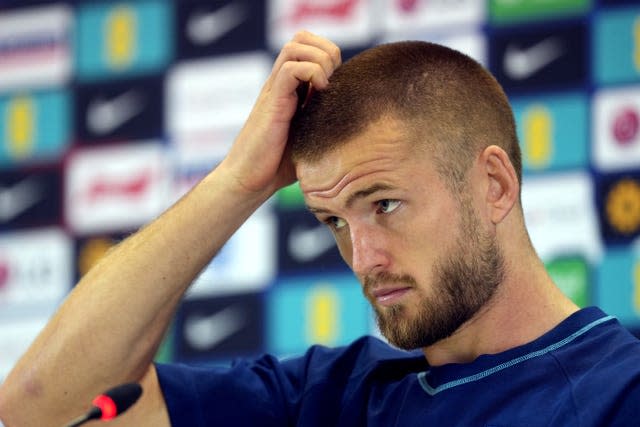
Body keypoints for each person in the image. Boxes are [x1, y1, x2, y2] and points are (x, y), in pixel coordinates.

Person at [0, 30, 639, 427]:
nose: (362, 258)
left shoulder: (622, 392)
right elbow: (42, 410)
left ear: (493, 186)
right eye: (333, 219)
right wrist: (237, 182)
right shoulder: (328, 398)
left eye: (384, 204)